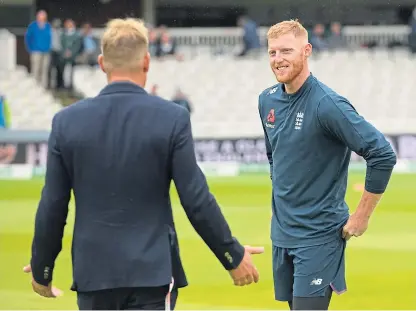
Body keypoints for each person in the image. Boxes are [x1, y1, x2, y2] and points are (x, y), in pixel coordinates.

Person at [23, 18, 263, 310]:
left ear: (102, 63)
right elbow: (196, 198)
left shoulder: (66, 122)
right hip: (152, 272)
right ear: (147, 61)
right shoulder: (171, 118)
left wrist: (42, 267)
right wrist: (232, 255)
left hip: (94, 275)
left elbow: (53, 204)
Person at [258, 20, 396, 310]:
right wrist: (276, 210)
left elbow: (382, 154)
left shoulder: (327, 104)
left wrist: (361, 216)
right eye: (272, 53)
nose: (278, 59)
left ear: (306, 51)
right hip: (283, 234)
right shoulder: (266, 100)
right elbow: (275, 158)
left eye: (286, 51)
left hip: (319, 236)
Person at [25, 10, 52, 87]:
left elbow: (50, 38)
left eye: (43, 16)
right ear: (37, 17)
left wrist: (49, 47)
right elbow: (28, 38)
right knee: (35, 69)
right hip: (35, 51)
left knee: (44, 70)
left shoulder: (48, 26)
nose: (42, 18)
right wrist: (30, 48)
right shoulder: (32, 26)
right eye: (40, 16)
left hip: (46, 51)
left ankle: (43, 87)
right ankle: (34, 87)